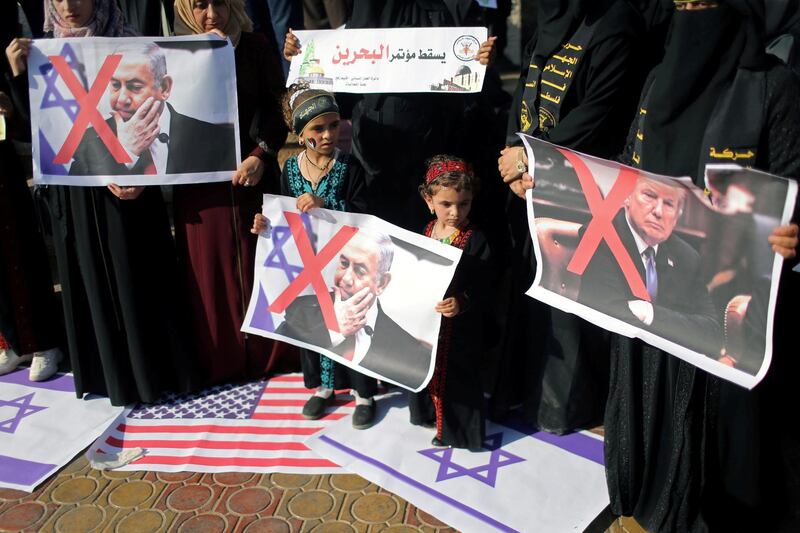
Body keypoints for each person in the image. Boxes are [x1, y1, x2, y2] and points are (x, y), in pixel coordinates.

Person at [591, 1, 800, 530]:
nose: (692, 15)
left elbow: (792, 183)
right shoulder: (658, 78)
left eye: (703, 4)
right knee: (652, 408)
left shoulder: (771, 87)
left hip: (723, 303)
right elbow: (627, 165)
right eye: (682, 4)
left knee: (721, 441)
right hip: (654, 288)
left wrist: (792, 231)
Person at [5, 0, 197, 406]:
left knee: (136, 279)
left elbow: (158, 129)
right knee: (91, 277)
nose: (69, 6)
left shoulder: (131, 49)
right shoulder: (45, 53)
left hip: (131, 193)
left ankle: (152, 374)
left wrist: (139, 173)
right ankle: (107, 376)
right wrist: (21, 77)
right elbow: (42, 132)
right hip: (76, 196)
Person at [489, 0, 649, 435]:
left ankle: (565, 408)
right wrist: (514, 155)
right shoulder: (554, 19)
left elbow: (600, 110)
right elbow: (528, 86)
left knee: (568, 303)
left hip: (583, 190)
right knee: (531, 295)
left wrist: (532, 159)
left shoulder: (617, 25)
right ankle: (522, 392)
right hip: (533, 180)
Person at [285, 1, 498, 232]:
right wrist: (301, 55)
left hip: (436, 137)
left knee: (428, 219)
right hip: (373, 140)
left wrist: (484, 59)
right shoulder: (367, 7)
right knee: (378, 223)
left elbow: (471, 53)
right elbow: (344, 56)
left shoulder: (454, 5)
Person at [171, 0, 296, 386]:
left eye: (219, 3)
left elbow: (279, 108)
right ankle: (220, 359)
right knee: (209, 268)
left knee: (258, 260)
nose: (212, 14)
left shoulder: (255, 46)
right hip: (198, 189)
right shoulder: (170, 56)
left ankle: (270, 355)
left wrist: (262, 154)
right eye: (200, 5)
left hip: (252, 178)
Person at [251, 83, 383, 429]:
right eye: (318, 128)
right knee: (314, 324)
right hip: (308, 267)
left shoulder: (351, 167)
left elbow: (364, 215)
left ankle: (363, 393)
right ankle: (325, 388)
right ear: (299, 132)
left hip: (345, 266)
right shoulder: (289, 170)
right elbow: (283, 214)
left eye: (334, 125)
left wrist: (328, 206)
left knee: (351, 324)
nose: (328, 135)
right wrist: (266, 223)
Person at [577, 176, 722, 355]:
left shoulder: (687, 257)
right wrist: (680, 324)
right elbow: (608, 313)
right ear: (627, 197)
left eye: (669, 204)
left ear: (676, 217)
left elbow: (713, 334)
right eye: (649, 196)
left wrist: (650, 313)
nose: (658, 211)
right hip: (611, 355)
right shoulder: (599, 236)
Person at [409, 155, 493, 449]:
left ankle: (455, 432)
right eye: (446, 204)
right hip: (429, 324)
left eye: (464, 203)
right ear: (429, 200)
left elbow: (485, 284)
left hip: (461, 331)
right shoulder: (427, 231)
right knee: (427, 368)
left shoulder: (476, 239)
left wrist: (462, 301)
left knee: (457, 379)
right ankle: (428, 414)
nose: (456, 212)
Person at [68, 42, 237, 176]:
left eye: (134, 87)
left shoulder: (214, 138)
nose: (121, 99)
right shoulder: (89, 141)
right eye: (115, 85)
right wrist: (126, 154)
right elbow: (81, 190)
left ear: (164, 87)